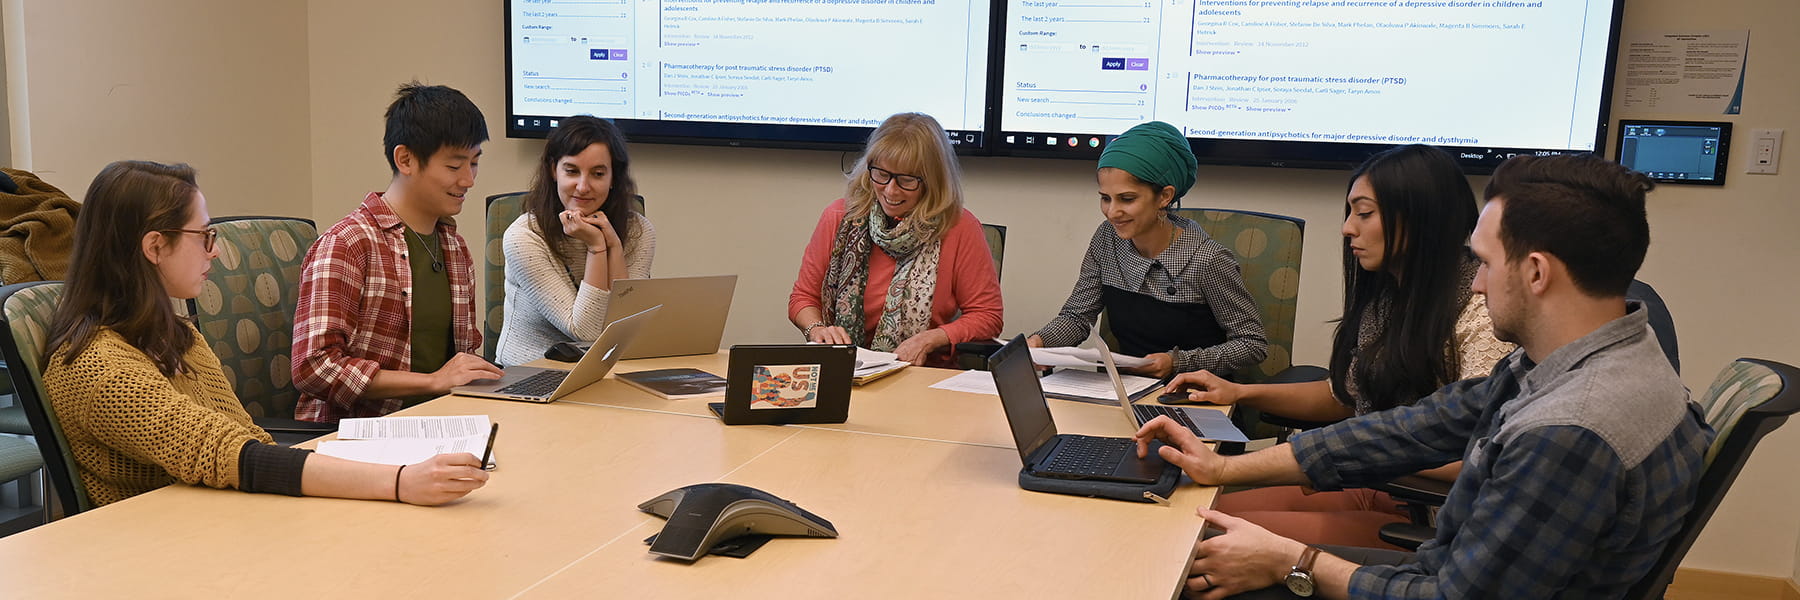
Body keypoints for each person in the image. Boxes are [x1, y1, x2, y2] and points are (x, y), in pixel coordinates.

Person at [1135, 153, 1711, 599]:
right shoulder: (1583, 357)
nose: (1477, 285)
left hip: (1444, 578)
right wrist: (1225, 466)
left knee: (1190, 560)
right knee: (1199, 537)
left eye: (1484, 263)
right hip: (1451, 567)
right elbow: (1409, 427)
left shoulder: (1572, 430)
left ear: (1536, 272)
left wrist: (1293, 561)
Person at [42, 161, 488, 507]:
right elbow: (233, 454)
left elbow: (246, 438)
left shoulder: (178, 336)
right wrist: (399, 481)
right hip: (160, 546)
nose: (213, 252)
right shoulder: (95, 365)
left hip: (220, 515)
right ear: (155, 246)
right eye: (204, 236)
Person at [1167, 144, 1513, 548]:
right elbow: (1346, 397)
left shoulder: (1478, 315)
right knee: (1184, 507)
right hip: (1376, 481)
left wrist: (1344, 452)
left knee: (1198, 534)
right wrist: (1239, 392)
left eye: (1364, 213)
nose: (1348, 228)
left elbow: (1477, 457)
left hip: (1434, 518)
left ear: (1421, 217)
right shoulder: (1393, 295)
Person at [292, 82, 504, 422]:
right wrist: (432, 382)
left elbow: (460, 358)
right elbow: (314, 366)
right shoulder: (348, 244)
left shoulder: (453, 245)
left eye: (475, 163)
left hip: (444, 421)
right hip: (362, 434)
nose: (469, 180)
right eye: (454, 166)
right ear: (405, 159)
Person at [1029, 121, 1266, 379]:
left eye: (1127, 199)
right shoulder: (1107, 239)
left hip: (1195, 396)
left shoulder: (1208, 259)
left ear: (1164, 196)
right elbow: (1077, 317)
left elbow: (1252, 344)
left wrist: (1178, 362)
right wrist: (1040, 342)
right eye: (1105, 198)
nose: (1112, 212)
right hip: (1127, 390)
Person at [787, 112, 1002, 367]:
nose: (890, 190)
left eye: (906, 180)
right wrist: (817, 329)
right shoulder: (839, 217)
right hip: (844, 368)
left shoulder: (959, 227)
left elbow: (988, 315)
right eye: (881, 174)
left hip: (920, 374)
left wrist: (931, 339)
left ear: (932, 181)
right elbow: (803, 298)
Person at [494, 115, 655, 366]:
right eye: (571, 171)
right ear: (553, 170)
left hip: (604, 372)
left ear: (614, 177)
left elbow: (626, 325)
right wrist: (596, 247)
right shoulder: (523, 236)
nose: (582, 186)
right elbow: (585, 331)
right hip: (529, 374)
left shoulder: (638, 231)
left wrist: (614, 246)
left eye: (598, 173)